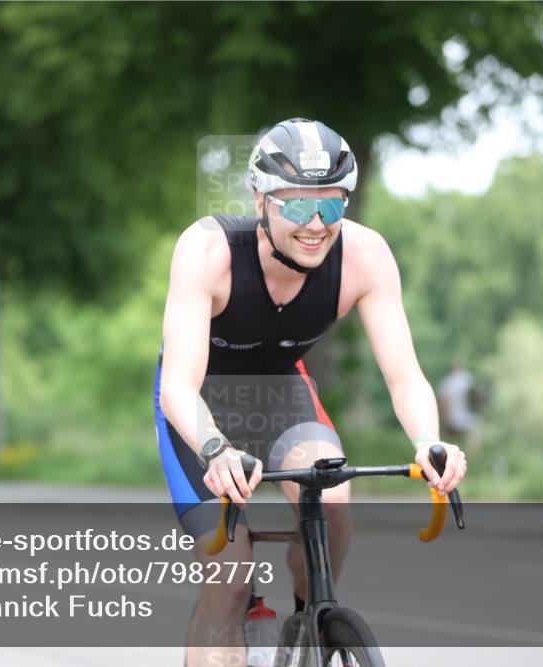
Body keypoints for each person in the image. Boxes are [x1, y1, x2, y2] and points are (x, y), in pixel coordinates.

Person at [154, 118, 467, 665]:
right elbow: (178, 385)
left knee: (336, 499)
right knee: (229, 582)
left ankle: (311, 618)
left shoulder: (365, 256)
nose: (317, 224)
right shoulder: (208, 250)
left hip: (282, 397)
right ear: (261, 201)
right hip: (199, 411)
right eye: (298, 206)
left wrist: (428, 440)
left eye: (333, 205)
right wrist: (215, 448)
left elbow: (404, 375)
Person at [438, 360, 481, 452]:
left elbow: (445, 401)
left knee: (450, 440)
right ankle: (472, 455)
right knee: (472, 436)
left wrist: (444, 418)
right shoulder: (469, 379)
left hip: (455, 417)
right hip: (468, 416)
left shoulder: (448, 381)